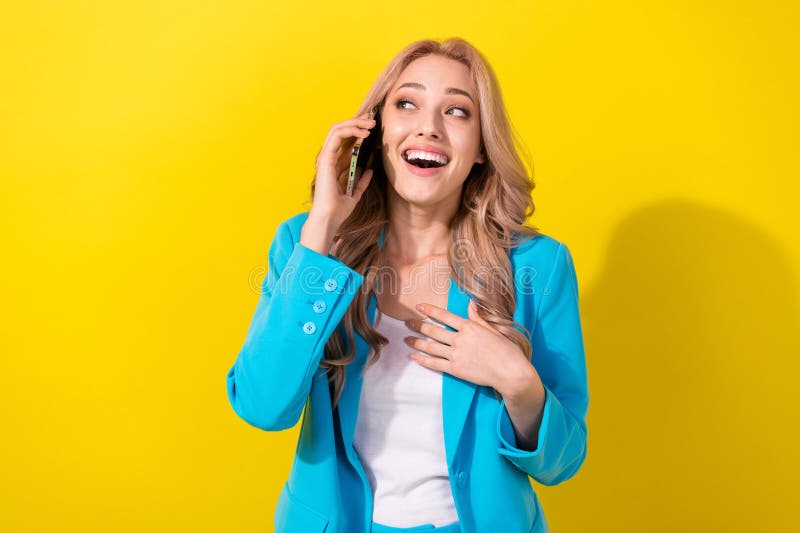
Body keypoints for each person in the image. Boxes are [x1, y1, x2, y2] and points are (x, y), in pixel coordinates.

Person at [226, 37, 589, 533]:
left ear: (482, 147)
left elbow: (561, 463)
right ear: (376, 129)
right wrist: (322, 226)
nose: (428, 127)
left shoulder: (538, 266)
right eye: (407, 103)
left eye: (457, 112)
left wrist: (517, 380)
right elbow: (263, 406)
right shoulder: (306, 243)